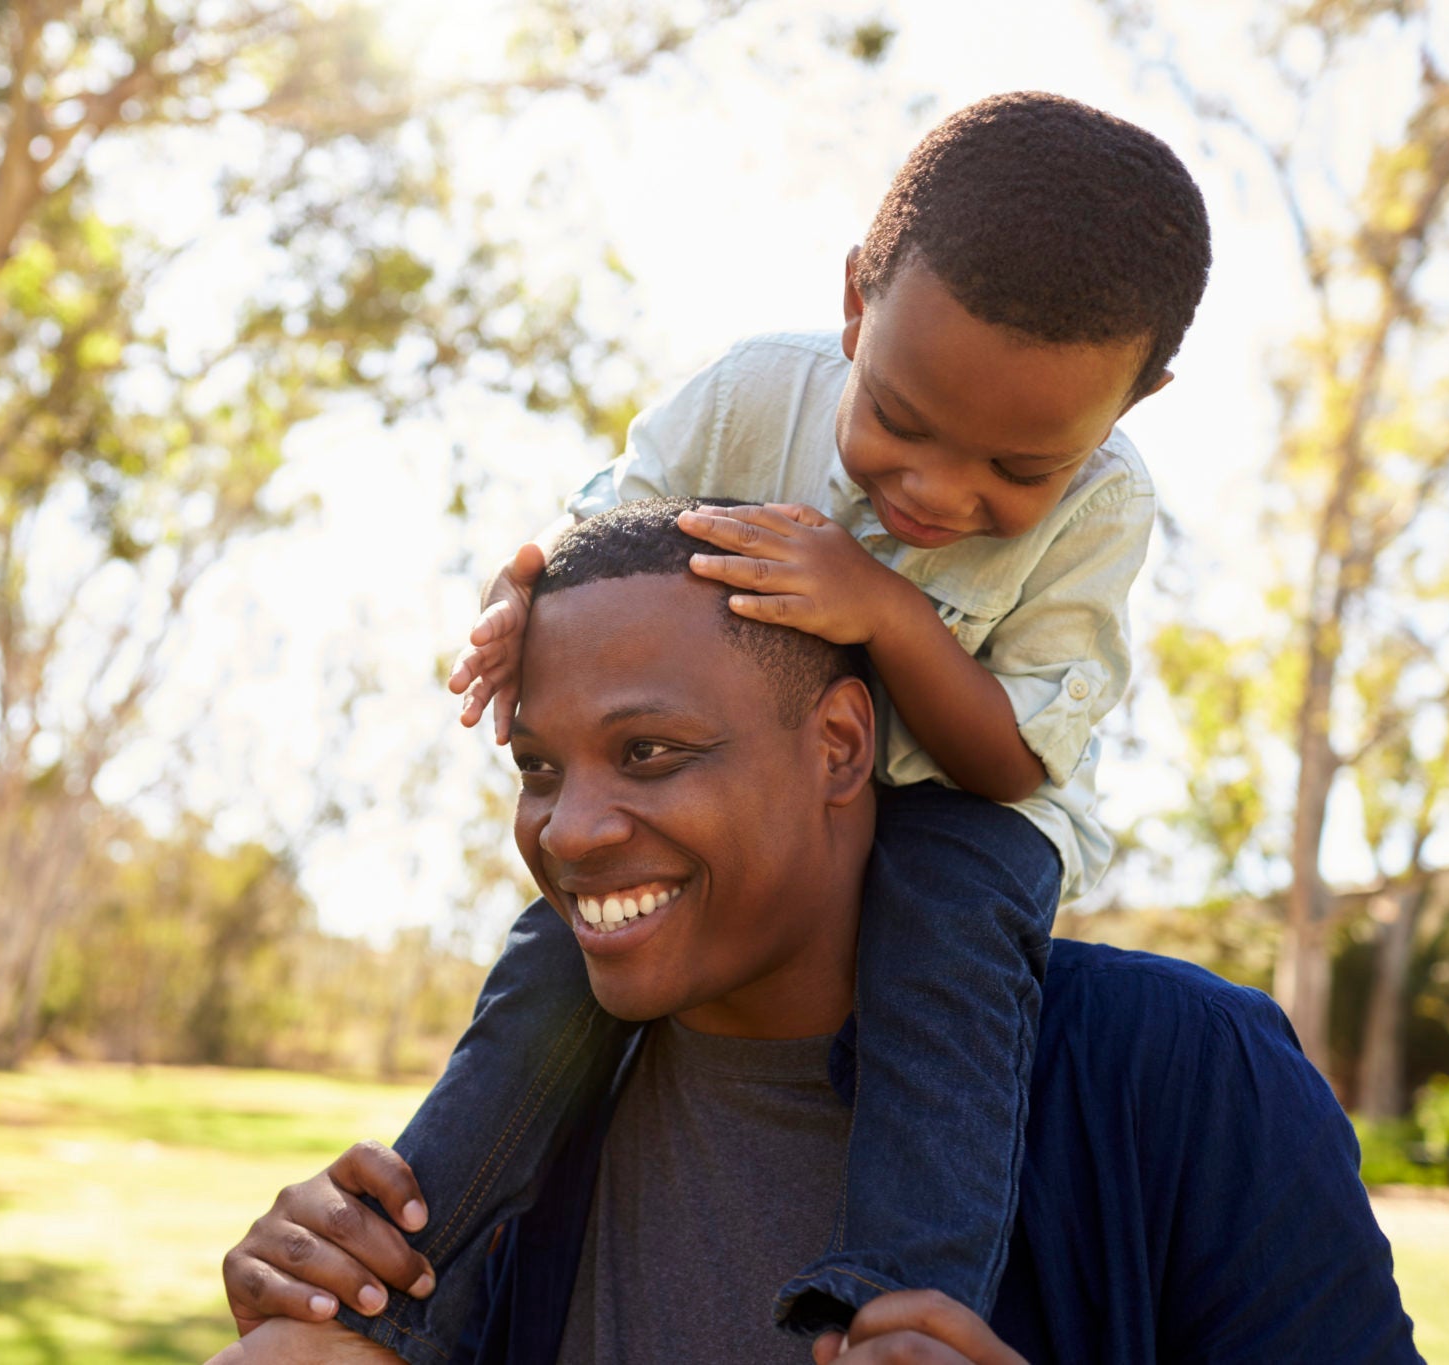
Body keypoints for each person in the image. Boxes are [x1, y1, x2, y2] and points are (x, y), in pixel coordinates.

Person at [214, 500, 1420, 1364]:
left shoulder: (1185, 1074)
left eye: (648, 753)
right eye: (536, 767)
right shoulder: (533, 1108)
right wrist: (314, 1315)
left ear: (840, 746)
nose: (568, 831)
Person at [401, 91, 1215, 1351]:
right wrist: (521, 601)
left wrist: (883, 610)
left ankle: (893, 1298)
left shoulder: (1104, 510)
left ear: (1133, 400)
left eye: (1017, 470)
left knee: (945, 962)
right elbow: (594, 549)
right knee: (550, 959)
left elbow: (1010, 762)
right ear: (853, 305)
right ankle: (397, 1261)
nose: (938, 488)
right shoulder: (751, 397)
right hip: (748, 806)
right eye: (897, 419)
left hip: (967, 803)